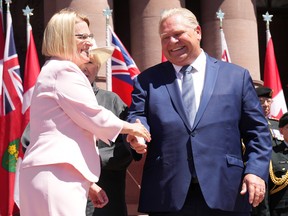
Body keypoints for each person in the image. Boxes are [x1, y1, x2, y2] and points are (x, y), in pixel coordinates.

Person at [126, 8, 272, 216]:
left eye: (178, 34)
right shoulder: (147, 81)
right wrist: (137, 133)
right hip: (167, 194)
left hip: (226, 192)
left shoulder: (235, 77)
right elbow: (137, 116)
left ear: (198, 31)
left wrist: (256, 172)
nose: (172, 42)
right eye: (165, 37)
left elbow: (258, 132)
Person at [19, 8, 150, 216]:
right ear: (62, 38)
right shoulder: (64, 69)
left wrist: (89, 184)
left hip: (54, 175)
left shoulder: (53, 69)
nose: (89, 42)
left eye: (89, 35)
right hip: (55, 177)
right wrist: (132, 128)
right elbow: (94, 116)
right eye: (82, 36)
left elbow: (65, 131)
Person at [80, 51, 132, 216]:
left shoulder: (112, 101)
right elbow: (30, 141)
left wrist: (91, 158)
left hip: (108, 198)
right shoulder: (55, 100)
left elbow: (128, 146)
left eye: (89, 63)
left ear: (97, 68)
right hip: (66, 196)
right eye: (79, 63)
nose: (84, 68)